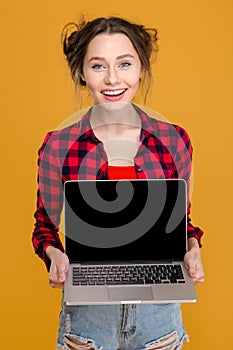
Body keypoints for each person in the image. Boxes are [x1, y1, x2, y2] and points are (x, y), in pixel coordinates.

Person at [32, 16, 205, 350]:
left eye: (124, 64)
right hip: (88, 317)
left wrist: (192, 249)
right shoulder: (59, 145)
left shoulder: (174, 140)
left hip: (159, 316)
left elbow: (179, 223)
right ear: (82, 72)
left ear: (141, 68)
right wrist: (54, 255)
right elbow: (44, 226)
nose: (112, 78)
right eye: (98, 66)